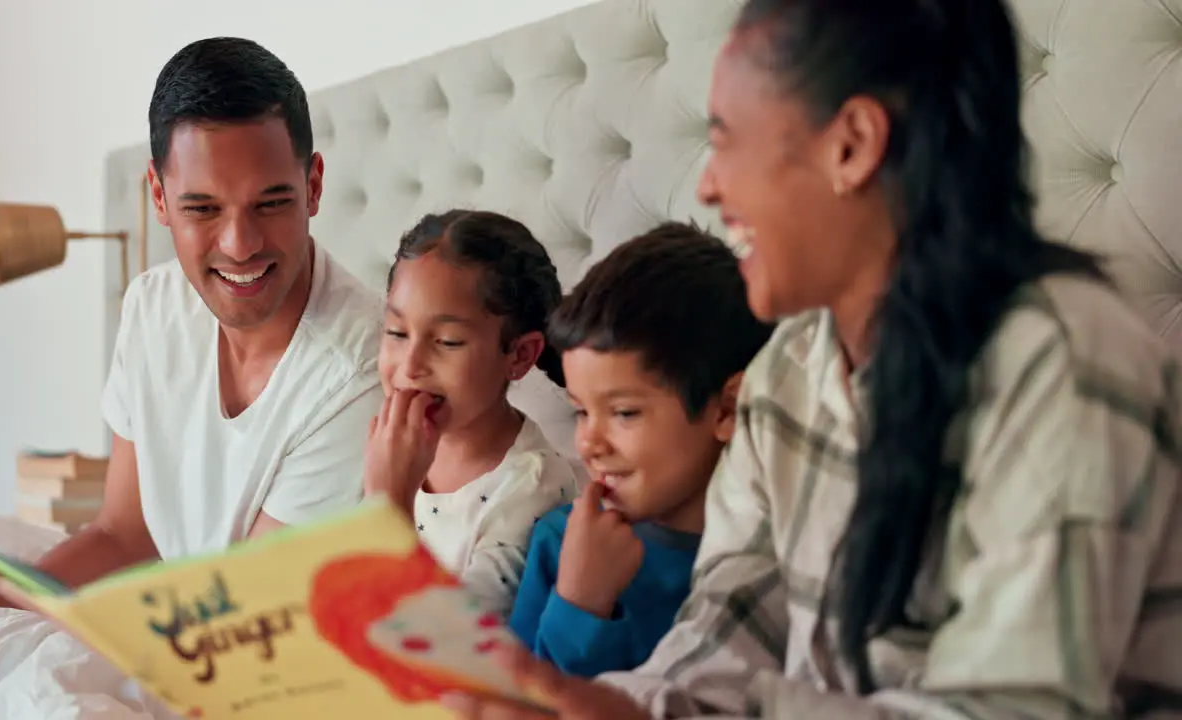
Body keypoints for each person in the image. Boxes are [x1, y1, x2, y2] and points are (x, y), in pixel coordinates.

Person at [441, 0, 1182, 718]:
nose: (708, 184)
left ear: (852, 144)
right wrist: (603, 707)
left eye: (726, 139)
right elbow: (723, 643)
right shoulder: (787, 376)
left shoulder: (1066, 367)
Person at [0, 37, 384, 636]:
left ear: (312, 185)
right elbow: (123, 533)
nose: (240, 245)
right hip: (172, 612)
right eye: (203, 209)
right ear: (158, 196)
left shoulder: (359, 369)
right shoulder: (152, 308)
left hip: (247, 646)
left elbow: (249, 613)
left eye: (271, 202)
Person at [506, 222, 774, 679]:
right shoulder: (559, 542)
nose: (589, 443)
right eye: (581, 412)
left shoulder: (768, 562)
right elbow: (513, 704)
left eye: (624, 413)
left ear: (727, 407)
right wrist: (578, 603)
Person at [362, 209, 580, 613]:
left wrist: (387, 503)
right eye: (396, 333)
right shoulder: (389, 440)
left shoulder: (534, 488)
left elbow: (453, 645)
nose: (410, 366)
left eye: (447, 341)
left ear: (519, 355)